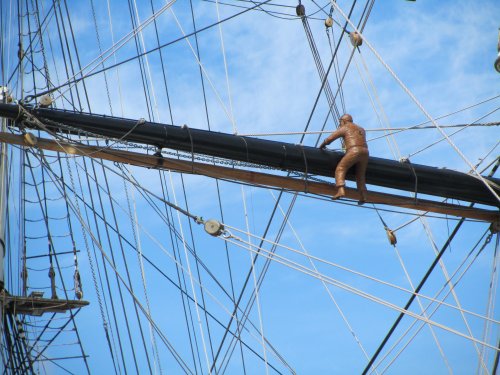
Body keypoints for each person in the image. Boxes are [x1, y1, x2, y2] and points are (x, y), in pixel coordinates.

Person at [319, 114, 369, 204]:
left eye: (340, 122)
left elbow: (330, 138)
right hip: (365, 152)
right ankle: (363, 196)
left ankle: (341, 190)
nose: (340, 124)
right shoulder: (361, 129)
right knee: (360, 175)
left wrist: (322, 145)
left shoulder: (345, 127)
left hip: (354, 150)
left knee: (340, 169)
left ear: (344, 121)